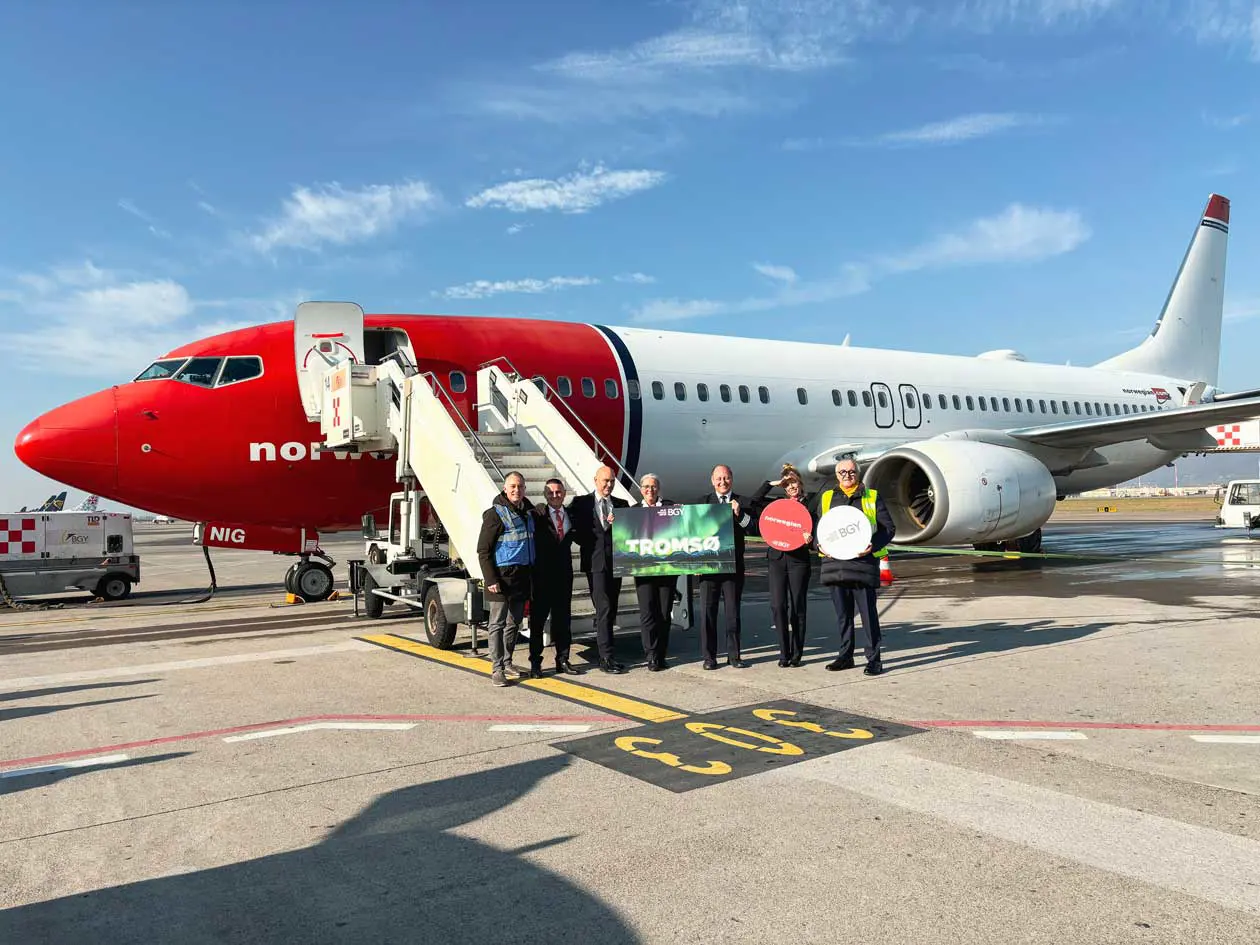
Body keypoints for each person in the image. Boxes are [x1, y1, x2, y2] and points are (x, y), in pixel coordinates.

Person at [809, 458, 894, 676]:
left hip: (861, 564)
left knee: (868, 615)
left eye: (851, 471)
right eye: (842, 472)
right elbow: (819, 529)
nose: (847, 475)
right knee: (843, 615)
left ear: (858, 473)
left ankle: (874, 659)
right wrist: (818, 544)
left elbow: (888, 528)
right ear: (836, 476)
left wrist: (872, 546)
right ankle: (845, 655)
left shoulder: (871, 496)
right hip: (835, 566)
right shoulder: (827, 497)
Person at [750, 464, 816, 668]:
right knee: (778, 606)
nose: (791, 487)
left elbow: (818, 531)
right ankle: (783, 652)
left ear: (800, 483)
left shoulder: (811, 503)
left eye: (793, 482)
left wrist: (811, 540)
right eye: (787, 484)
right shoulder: (777, 504)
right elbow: (753, 502)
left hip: (798, 561)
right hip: (777, 560)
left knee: (797, 606)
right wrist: (771, 484)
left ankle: (797, 653)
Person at [475, 471, 536, 687]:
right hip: (500, 579)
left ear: (524, 488)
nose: (516, 490)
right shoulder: (494, 514)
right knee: (497, 624)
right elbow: (483, 550)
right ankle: (497, 668)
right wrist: (491, 578)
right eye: (512, 486)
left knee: (514, 623)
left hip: (521, 577)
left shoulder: (529, 513)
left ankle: (508, 660)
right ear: (504, 488)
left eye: (520, 486)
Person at [568, 465, 630, 674]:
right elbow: (573, 531)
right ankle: (606, 658)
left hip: (616, 563)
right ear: (595, 480)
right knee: (603, 608)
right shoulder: (581, 503)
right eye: (605, 481)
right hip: (595, 563)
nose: (609, 485)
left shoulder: (622, 505)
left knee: (610, 609)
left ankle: (605, 647)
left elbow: (632, 531)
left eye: (612, 481)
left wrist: (618, 525)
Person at [696, 464, 753, 669]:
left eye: (726, 478)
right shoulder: (703, 503)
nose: (722, 482)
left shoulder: (742, 502)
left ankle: (734, 656)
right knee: (708, 614)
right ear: (712, 481)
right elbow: (692, 531)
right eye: (718, 479)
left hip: (733, 567)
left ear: (732, 479)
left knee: (732, 614)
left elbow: (752, 528)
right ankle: (709, 657)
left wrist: (740, 515)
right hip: (709, 568)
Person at [528, 477, 582, 678]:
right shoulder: (537, 514)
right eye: (550, 493)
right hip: (541, 577)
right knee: (538, 622)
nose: (555, 496)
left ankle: (563, 659)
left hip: (563, 576)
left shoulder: (570, 515)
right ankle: (535, 663)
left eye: (558, 492)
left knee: (562, 620)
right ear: (544, 495)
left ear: (564, 494)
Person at [633, 473, 676, 671]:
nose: (650, 490)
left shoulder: (671, 507)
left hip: (666, 570)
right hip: (644, 572)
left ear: (658, 489)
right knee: (647, 613)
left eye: (653, 487)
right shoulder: (632, 511)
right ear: (641, 490)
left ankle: (661, 654)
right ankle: (650, 654)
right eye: (646, 487)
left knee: (664, 613)